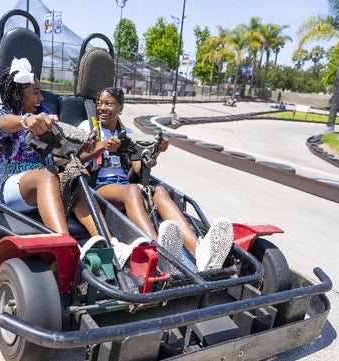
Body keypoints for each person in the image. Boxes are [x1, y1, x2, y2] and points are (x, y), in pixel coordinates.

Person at [78, 87, 234, 271]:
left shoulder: (127, 132)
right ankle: (161, 253)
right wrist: (102, 146)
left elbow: (138, 168)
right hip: (98, 186)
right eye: (100, 103)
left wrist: (156, 149)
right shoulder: (87, 127)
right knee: (133, 190)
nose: (102, 108)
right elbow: (74, 159)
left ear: (121, 108)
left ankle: (199, 251)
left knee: (159, 190)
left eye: (109, 104)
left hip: (125, 186)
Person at [0, 57, 99, 237]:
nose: (41, 98)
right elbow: (0, 122)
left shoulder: (41, 117)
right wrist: (25, 121)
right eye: (36, 92)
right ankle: (64, 244)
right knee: (46, 174)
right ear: (17, 94)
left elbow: (54, 157)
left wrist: (82, 149)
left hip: (42, 184)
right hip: (3, 188)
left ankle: (110, 244)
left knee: (74, 178)